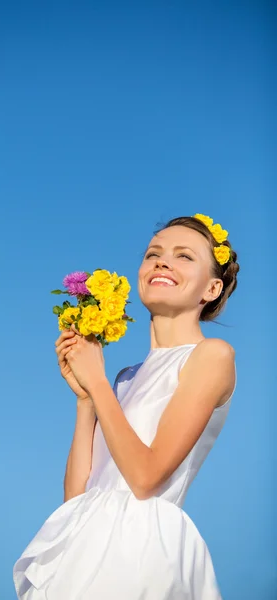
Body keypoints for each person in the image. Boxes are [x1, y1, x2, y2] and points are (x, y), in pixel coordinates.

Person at [13, 213, 239, 599]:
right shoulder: (123, 379)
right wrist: (86, 399)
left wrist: (97, 381)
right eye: (154, 253)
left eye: (184, 256)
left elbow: (147, 477)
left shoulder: (211, 356)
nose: (162, 261)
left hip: (143, 550)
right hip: (86, 549)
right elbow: (76, 502)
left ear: (212, 289)